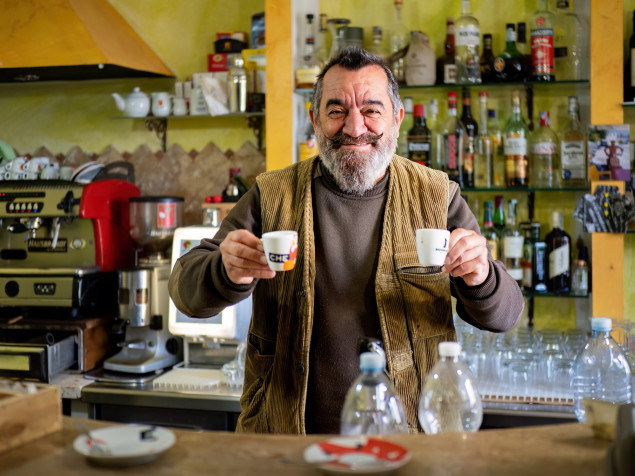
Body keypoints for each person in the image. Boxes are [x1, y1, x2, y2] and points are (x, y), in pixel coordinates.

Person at [169, 46, 524, 435]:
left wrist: (481, 276)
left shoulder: (436, 195)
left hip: (411, 442)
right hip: (288, 442)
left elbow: (505, 315)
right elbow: (187, 293)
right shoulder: (273, 193)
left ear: (397, 119)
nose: (355, 128)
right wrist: (224, 270)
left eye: (371, 110)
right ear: (315, 121)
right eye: (337, 111)